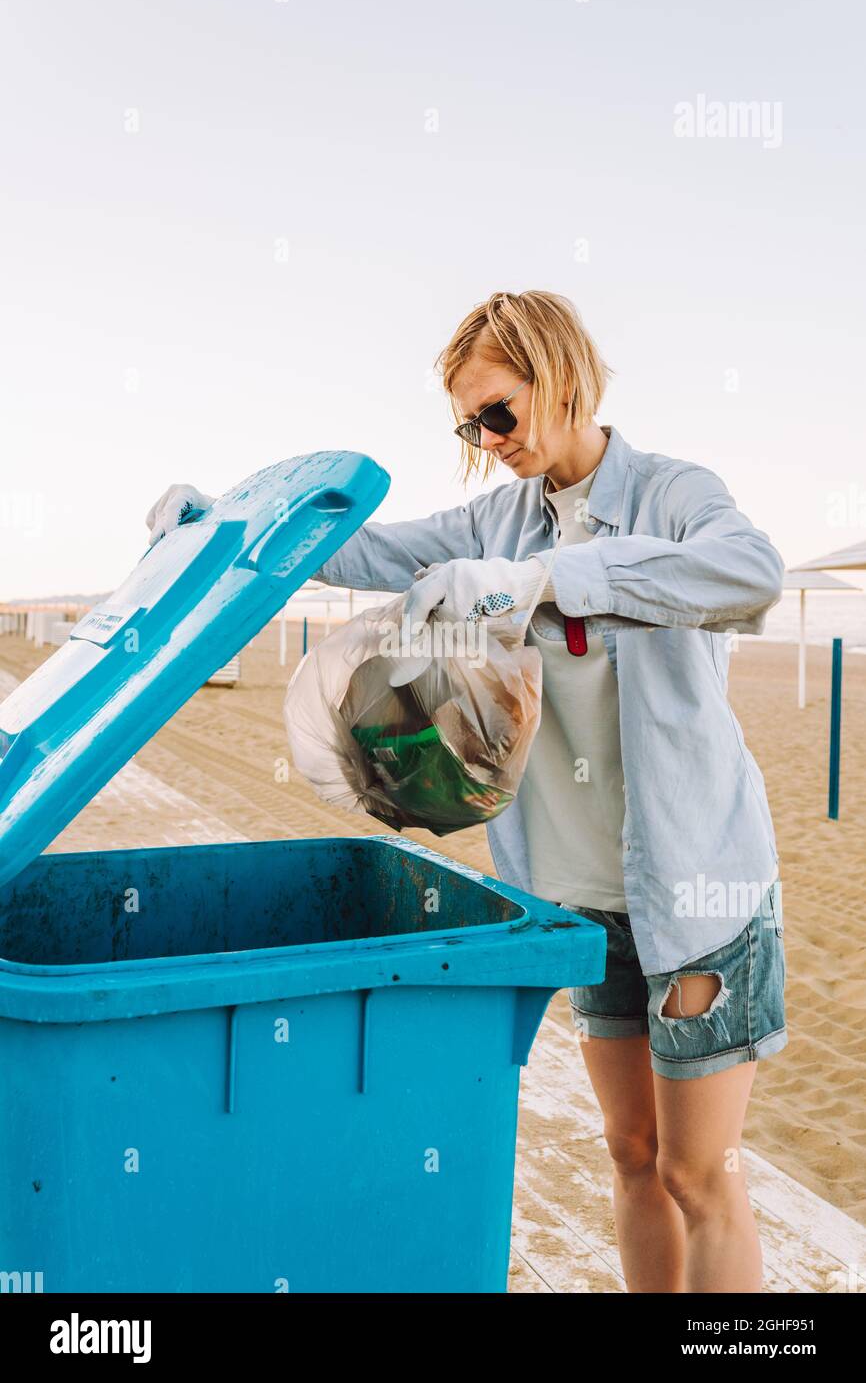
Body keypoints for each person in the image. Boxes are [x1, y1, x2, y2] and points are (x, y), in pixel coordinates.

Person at [146, 288, 787, 1293]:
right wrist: (223, 521)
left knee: (696, 1170)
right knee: (628, 1155)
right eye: (468, 424)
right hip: (577, 895)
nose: (488, 441)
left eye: (498, 412)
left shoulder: (670, 492)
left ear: (564, 376)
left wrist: (541, 582)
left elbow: (747, 574)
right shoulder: (497, 517)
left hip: (696, 896)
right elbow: (360, 550)